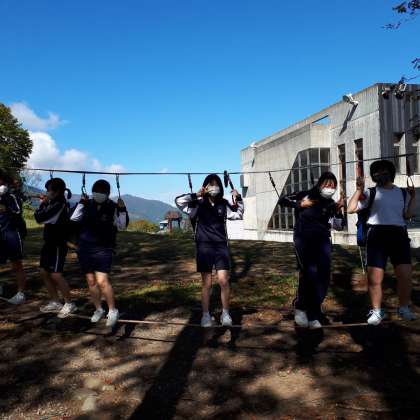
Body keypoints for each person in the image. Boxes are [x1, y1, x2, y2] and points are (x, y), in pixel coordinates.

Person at [347, 159, 417, 325]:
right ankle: (377, 311)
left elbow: (407, 215)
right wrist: (359, 190)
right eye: (376, 172)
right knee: (375, 278)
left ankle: (404, 308)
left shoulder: (402, 192)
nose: (379, 174)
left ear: (391, 173)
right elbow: (350, 209)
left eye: (383, 171)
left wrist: (413, 197)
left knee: (405, 275)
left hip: (399, 235)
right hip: (377, 236)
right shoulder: (370, 192)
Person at [175, 174, 244, 327]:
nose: (214, 187)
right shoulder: (197, 204)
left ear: (220, 187)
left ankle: (225, 314)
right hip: (204, 247)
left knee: (224, 281)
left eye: (216, 184)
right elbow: (179, 201)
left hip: (221, 247)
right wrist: (196, 195)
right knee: (207, 283)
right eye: (210, 184)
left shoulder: (223, 204)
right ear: (205, 187)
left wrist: (238, 198)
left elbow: (238, 214)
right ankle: (205, 316)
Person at [280, 171, 345, 329]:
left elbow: (338, 226)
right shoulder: (305, 195)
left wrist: (338, 210)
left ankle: (314, 312)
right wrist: (300, 204)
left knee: (323, 277)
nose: (330, 188)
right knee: (310, 273)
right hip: (303, 239)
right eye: (327, 184)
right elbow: (282, 200)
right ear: (320, 184)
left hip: (323, 242)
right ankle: (300, 307)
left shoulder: (330, 203)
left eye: (333, 186)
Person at [70, 179, 129, 327]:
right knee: (91, 281)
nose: (99, 194)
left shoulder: (113, 207)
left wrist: (122, 209)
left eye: (102, 192)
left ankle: (113, 310)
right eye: (96, 191)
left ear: (108, 194)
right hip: (85, 248)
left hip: (103, 248)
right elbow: (73, 218)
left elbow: (122, 226)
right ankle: (98, 309)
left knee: (102, 281)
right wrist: (81, 203)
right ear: (92, 192)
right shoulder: (86, 204)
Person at [34, 178, 77, 318]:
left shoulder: (59, 204)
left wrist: (42, 204)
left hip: (58, 244)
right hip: (49, 243)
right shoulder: (53, 203)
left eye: (49, 190)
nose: (47, 192)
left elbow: (40, 218)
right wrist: (46, 203)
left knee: (56, 274)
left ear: (56, 191)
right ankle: (55, 301)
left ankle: (69, 303)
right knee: (44, 272)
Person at [0, 170, 27, 304]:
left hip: (12, 233)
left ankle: (21, 293)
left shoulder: (11, 196)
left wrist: (6, 208)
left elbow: (18, 211)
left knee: (16, 264)